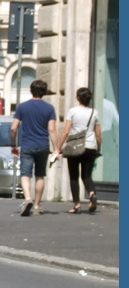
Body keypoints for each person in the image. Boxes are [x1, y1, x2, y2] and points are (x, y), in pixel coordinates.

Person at [10, 79, 57, 216]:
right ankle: (37, 205)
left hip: (27, 145)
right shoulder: (49, 108)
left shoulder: (22, 107)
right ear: (44, 92)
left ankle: (27, 199)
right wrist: (56, 149)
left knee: (25, 174)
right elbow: (52, 130)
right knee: (40, 175)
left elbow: (13, 128)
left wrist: (13, 144)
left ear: (31, 90)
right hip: (43, 146)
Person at [54, 87, 103, 213]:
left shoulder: (73, 111)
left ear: (78, 98)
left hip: (75, 147)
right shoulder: (94, 113)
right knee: (87, 175)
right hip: (90, 147)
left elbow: (66, 131)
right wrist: (98, 148)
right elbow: (98, 134)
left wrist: (58, 148)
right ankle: (92, 193)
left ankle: (77, 205)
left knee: (74, 176)